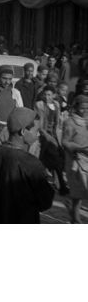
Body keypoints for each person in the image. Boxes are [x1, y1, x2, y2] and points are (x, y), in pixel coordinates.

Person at [0, 107, 54, 223]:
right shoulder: (31, 163)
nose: (38, 135)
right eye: (36, 130)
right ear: (23, 131)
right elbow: (45, 202)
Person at [61, 95, 88, 223]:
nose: (85, 111)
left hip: (86, 160)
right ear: (76, 107)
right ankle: (75, 218)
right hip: (75, 161)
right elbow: (65, 142)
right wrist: (79, 148)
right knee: (78, 192)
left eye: (87, 108)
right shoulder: (70, 122)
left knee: (83, 191)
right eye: (82, 108)